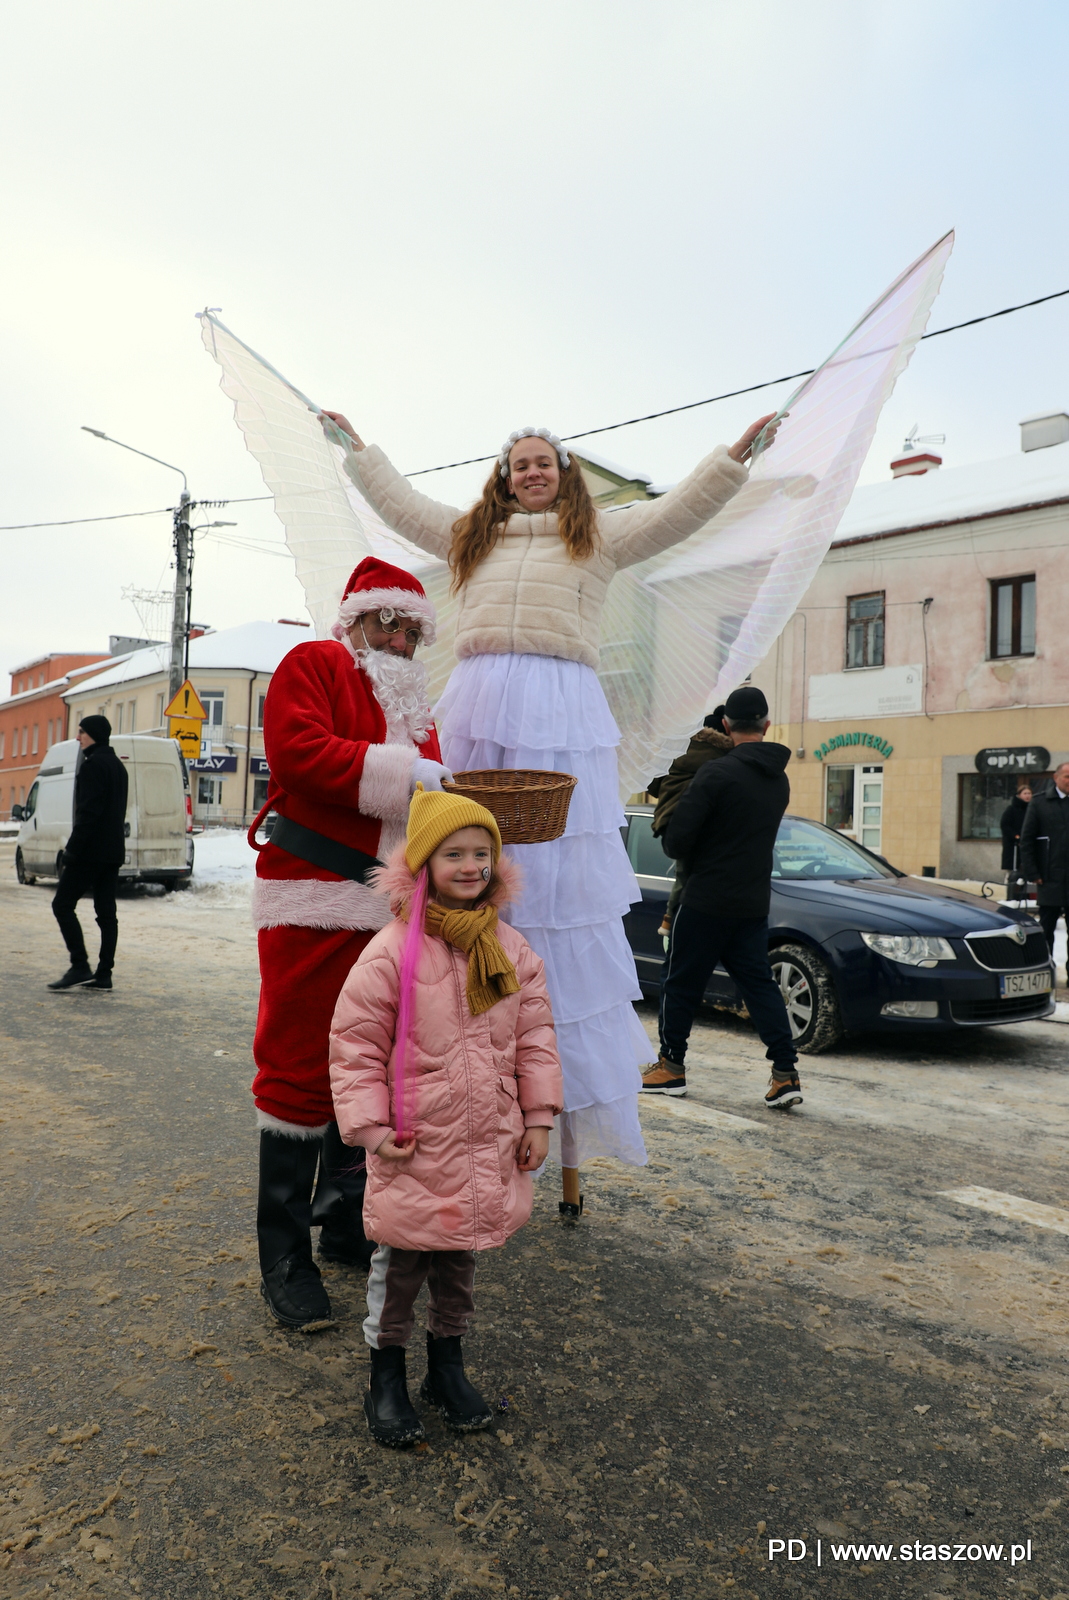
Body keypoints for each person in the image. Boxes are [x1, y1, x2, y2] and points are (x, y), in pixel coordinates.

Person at [320, 407, 778, 1216]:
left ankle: (543, 1082)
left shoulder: (597, 535)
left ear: (562, 475)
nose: (532, 472)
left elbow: (679, 513)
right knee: (462, 846)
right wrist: (360, 453)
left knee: (554, 879)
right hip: (479, 694)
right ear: (503, 477)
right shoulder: (472, 534)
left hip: (559, 703)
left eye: (544, 463)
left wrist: (732, 458)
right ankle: (448, 1037)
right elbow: (403, 509)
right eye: (519, 464)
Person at [248, 557, 454, 1332]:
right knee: (298, 1067)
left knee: (369, 1063)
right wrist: (411, 772)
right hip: (312, 901)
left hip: (389, 908)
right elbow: (299, 752)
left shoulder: (414, 702)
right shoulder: (315, 662)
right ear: (358, 617)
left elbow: (426, 796)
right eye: (388, 622)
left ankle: (341, 1220)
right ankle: (282, 1256)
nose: (399, 639)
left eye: (411, 628)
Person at [329, 785, 563, 1446]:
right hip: (415, 1142)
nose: (469, 866)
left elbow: (535, 1036)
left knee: (460, 1259)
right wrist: (373, 1129)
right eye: (453, 853)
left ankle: (447, 1366)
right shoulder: (391, 952)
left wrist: (537, 1116)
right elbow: (354, 1048)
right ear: (424, 864)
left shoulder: (510, 950)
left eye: (481, 853)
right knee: (400, 1266)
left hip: (486, 1140)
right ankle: (386, 1376)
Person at [641, 685, 801, 1108]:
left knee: (679, 983)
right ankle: (785, 1074)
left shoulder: (716, 774)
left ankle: (671, 1067)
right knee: (760, 988)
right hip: (751, 903)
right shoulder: (779, 779)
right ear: (766, 725)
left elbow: (677, 842)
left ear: (726, 724)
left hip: (705, 900)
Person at [48, 715, 128, 992]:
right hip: (113, 851)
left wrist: (72, 851)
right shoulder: (118, 767)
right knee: (107, 914)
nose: (77, 737)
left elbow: (88, 815)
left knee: (62, 904)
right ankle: (104, 974)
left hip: (91, 852)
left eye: (81, 732)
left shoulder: (92, 767)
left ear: (92, 734)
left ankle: (79, 964)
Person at [647, 706, 733, 937]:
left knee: (684, 872)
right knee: (690, 875)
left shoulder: (679, 747)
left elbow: (653, 786)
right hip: (696, 819)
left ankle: (670, 922)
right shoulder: (724, 756)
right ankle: (672, 922)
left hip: (667, 819)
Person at [1019, 761, 1069, 979]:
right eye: (1067, 776)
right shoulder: (1040, 803)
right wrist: (1033, 873)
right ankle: (1044, 973)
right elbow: (1027, 841)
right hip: (1049, 878)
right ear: (1055, 777)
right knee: (1046, 930)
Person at [1000, 781, 1033, 902]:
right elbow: (1005, 825)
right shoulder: (1011, 809)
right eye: (1025, 793)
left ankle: (1026, 895)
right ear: (1019, 795)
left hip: (1028, 845)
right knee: (1014, 872)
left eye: (1029, 793)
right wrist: (1016, 836)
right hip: (1014, 846)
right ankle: (1012, 895)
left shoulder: (1032, 809)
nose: (1028, 796)